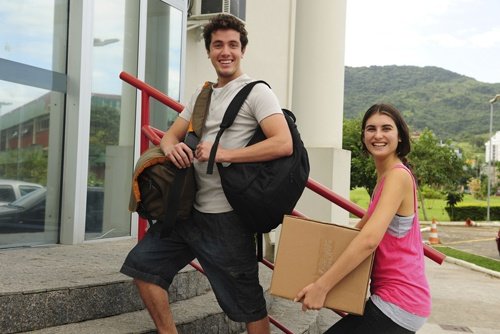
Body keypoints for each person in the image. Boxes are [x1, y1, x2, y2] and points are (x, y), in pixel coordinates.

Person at [120, 13, 292, 334]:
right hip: (186, 214)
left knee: (249, 307)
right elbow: (171, 135)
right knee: (143, 268)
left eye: (232, 45)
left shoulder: (257, 92)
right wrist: (171, 147)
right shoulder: (203, 94)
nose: (225, 51)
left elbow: (283, 143)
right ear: (209, 51)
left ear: (242, 50)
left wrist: (224, 153)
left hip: (227, 220)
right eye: (218, 45)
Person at [295, 103, 431, 333]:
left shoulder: (398, 177)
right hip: (392, 298)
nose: (378, 135)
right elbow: (358, 231)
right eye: (371, 129)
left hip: (399, 300)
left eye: (386, 128)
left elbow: (368, 240)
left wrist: (322, 286)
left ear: (400, 137)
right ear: (363, 136)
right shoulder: (386, 177)